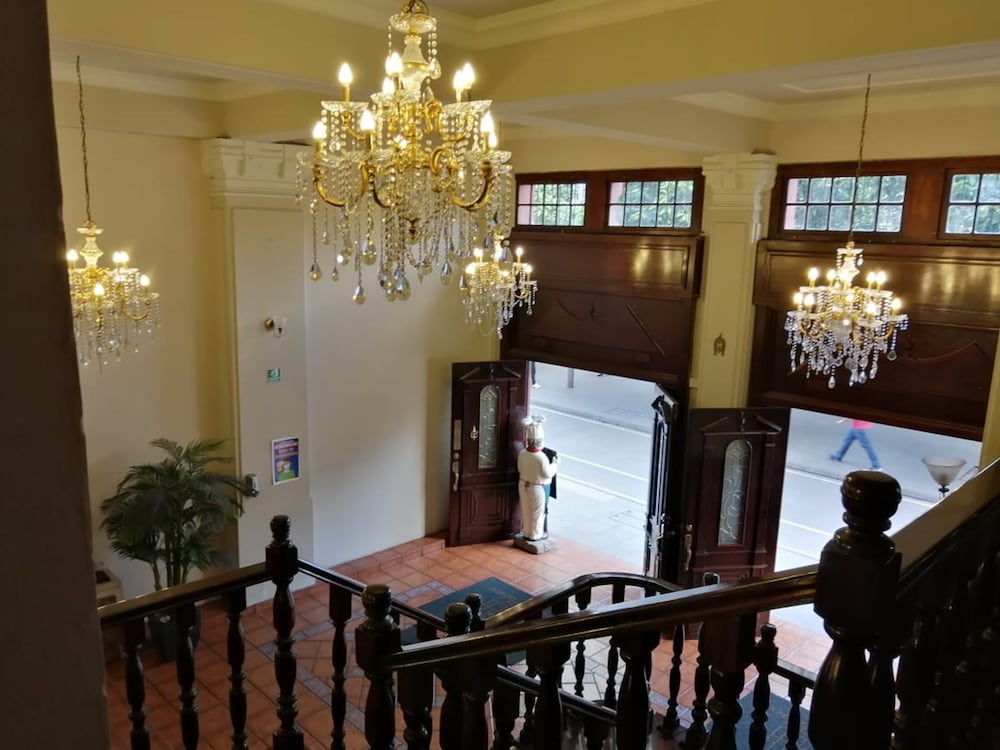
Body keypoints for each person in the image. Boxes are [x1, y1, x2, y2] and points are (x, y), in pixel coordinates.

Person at [517, 415, 558, 541]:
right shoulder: (541, 457)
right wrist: (555, 464)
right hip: (537, 487)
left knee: (526, 510)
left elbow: (519, 468)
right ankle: (535, 534)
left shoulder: (522, 453)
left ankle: (526, 532)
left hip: (523, 484)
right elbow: (547, 473)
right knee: (537, 513)